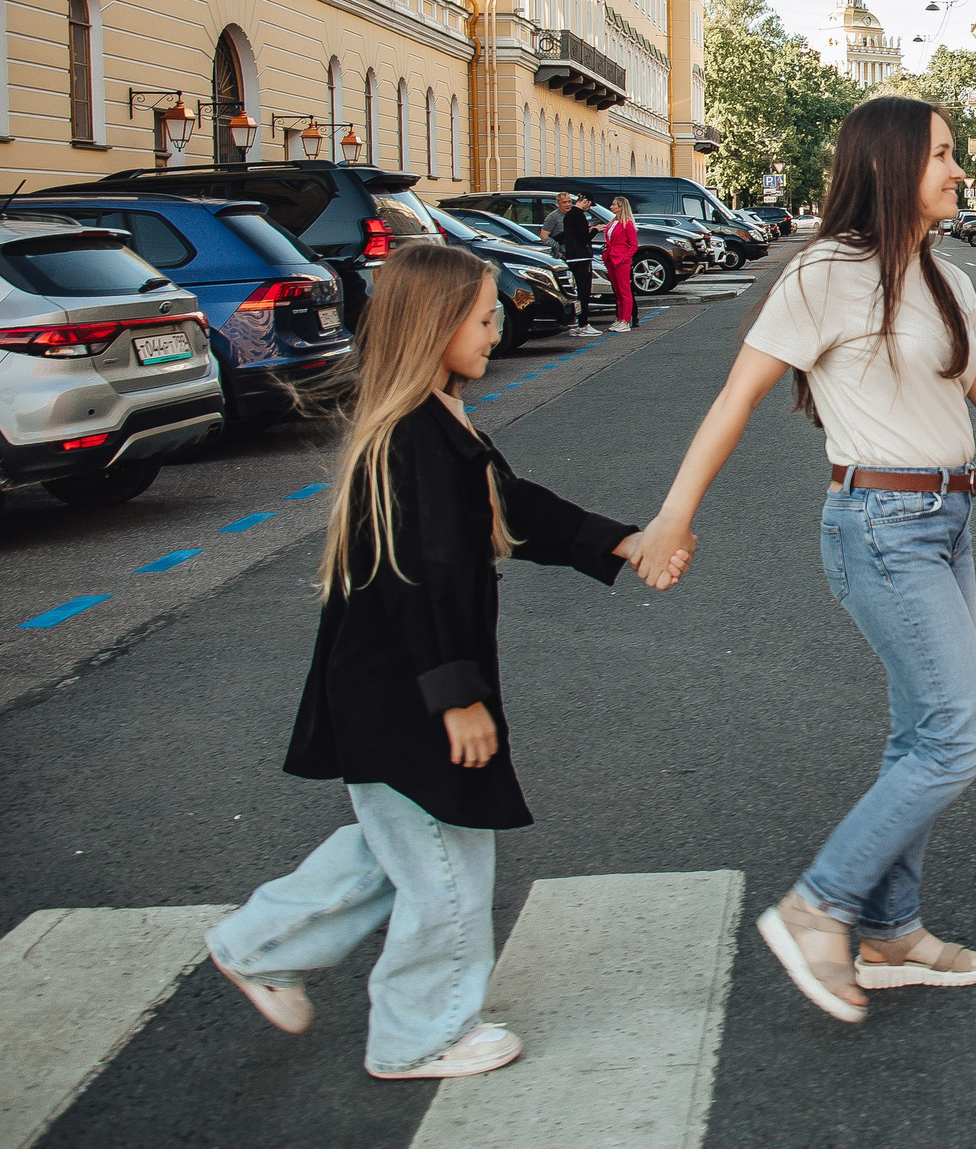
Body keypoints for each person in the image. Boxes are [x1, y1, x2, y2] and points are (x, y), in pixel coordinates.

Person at [628, 96, 976, 1023]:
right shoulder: (821, 275)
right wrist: (673, 516)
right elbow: (734, 401)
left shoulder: (947, 281)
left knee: (921, 735)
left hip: (947, 522)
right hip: (881, 526)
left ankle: (890, 933)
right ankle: (821, 903)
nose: (959, 169)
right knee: (962, 735)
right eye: (942, 155)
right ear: (891, 166)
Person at [204, 242, 685, 1079]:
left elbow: (511, 507)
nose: (497, 328)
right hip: (407, 691)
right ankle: (417, 1033)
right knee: (447, 864)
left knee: (397, 846)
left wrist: (621, 541)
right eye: (483, 315)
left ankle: (256, 942)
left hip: (390, 687)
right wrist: (455, 697)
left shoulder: (436, 419)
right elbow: (418, 577)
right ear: (432, 325)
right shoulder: (412, 438)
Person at [544, 192, 600, 337]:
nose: (589, 208)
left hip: (572, 257)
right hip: (581, 258)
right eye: (589, 205)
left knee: (576, 292)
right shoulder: (578, 215)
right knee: (584, 292)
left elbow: (562, 236)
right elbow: (584, 238)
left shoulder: (568, 216)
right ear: (585, 201)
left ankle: (577, 323)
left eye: (569, 201)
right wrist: (595, 230)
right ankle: (584, 324)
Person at [605, 196, 639, 333]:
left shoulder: (628, 223)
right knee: (617, 291)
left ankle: (626, 320)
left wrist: (625, 258)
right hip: (611, 258)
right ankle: (620, 318)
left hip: (621, 260)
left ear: (621, 207)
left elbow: (634, 245)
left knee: (625, 291)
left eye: (614, 205)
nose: (611, 207)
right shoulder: (613, 222)